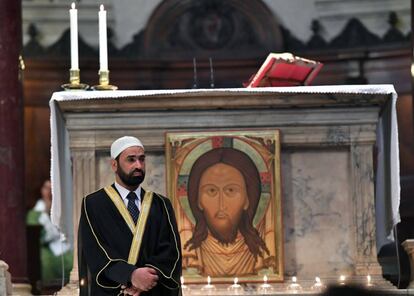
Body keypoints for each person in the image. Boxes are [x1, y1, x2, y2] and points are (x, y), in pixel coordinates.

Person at [78, 136, 181, 296]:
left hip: (153, 291)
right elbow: (95, 251)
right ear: (114, 164)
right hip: (114, 292)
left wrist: (145, 279)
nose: (138, 165)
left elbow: (170, 251)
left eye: (141, 159)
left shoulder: (161, 204)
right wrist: (130, 276)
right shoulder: (94, 204)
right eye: (131, 160)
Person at [184, 147, 272, 276]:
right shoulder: (192, 256)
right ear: (198, 201)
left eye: (231, 190)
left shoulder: (261, 255)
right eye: (211, 191)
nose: (221, 204)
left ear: (247, 200)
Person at [26, 180, 73, 284]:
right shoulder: (35, 212)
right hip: (42, 249)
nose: (49, 191)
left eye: (52, 188)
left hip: (61, 246)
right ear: (41, 190)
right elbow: (34, 235)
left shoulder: (62, 210)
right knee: (45, 262)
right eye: (47, 188)